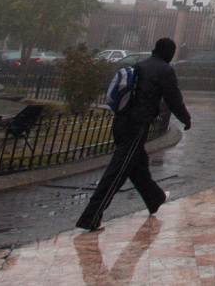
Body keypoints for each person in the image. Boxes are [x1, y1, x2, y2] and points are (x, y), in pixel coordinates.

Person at [76, 37, 191, 231]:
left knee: (138, 167)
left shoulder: (141, 65)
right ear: (169, 52)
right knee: (118, 171)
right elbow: (174, 99)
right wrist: (185, 118)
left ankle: (154, 198)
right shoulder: (164, 70)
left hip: (121, 122)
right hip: (135, 125)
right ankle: (91, 216)